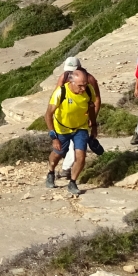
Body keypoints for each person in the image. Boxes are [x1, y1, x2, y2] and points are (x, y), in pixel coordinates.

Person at [43, 68, 97, 196]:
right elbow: (48, 115)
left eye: (85, 85)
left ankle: (72, 182)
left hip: (80, 127)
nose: (83, 88)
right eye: (80, 86)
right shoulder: (60, 92)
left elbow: (91, 108)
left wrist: (94, 126)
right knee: (58, 154)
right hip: (62, 128)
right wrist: (53, 136)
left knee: (81, 156)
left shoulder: (89, 90)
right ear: (71, 82)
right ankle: (51, 172)